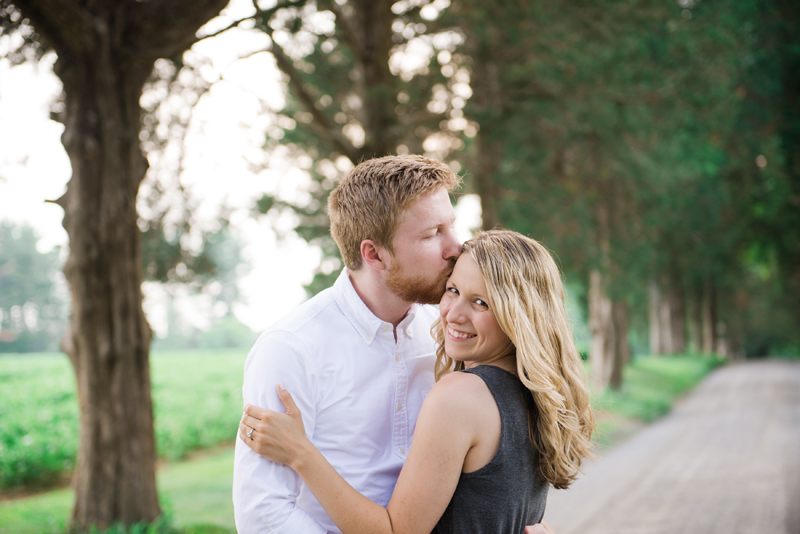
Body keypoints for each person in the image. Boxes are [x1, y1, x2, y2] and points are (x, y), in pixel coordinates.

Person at [240, 229, 596, 533]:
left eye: (481, 303)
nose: (453, 314)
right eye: (453, 290)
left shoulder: (460, 397)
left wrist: (301, 453)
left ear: (518, 316)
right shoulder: (535, 393)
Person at [232, 155, 463, 533]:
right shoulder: (291, 349)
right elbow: (264, 514)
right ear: (374, 254)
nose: (456, 247)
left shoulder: (448, 330)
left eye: (451, 227)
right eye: (432, 234)